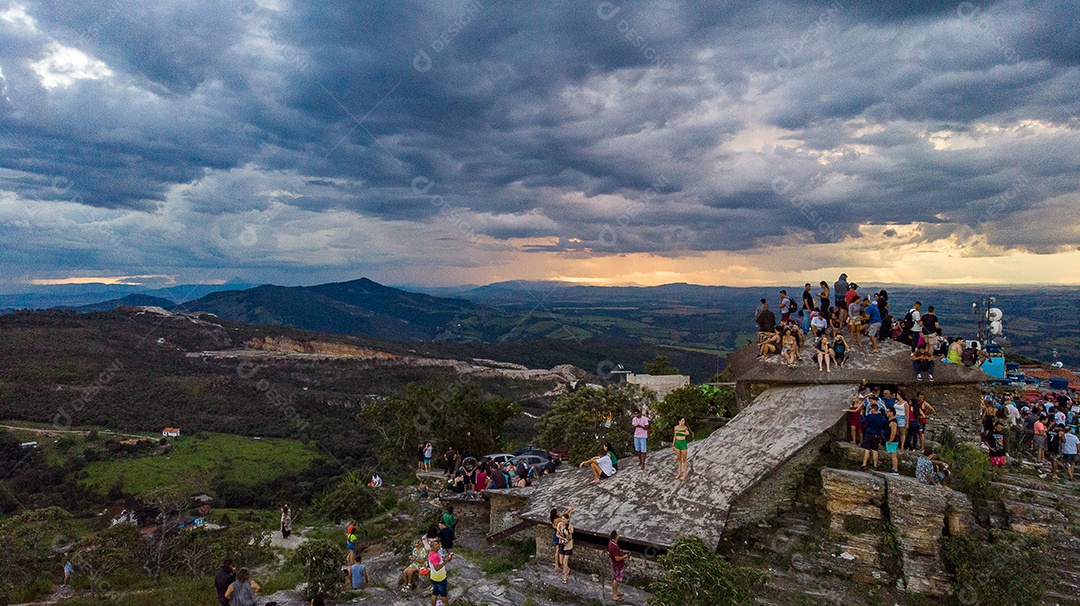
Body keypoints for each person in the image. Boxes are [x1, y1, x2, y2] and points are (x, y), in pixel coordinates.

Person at [860, 403, 886, 471]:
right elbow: (884, 425)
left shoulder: (870, 416)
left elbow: (862, 422)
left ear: (873, 409)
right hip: (877, 434)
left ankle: (864, 464)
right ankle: (875, 465)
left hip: (869, 434)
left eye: (870, 409)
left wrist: (861, 415)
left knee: (867, 449)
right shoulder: (882, 417)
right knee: (875, 450)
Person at [555, 506, 575, 584]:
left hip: (568, 546)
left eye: (564, 519)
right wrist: (563, 538)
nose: (562, 520)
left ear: (567, 520)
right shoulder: (559, 524)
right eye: (562, 519)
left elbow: (570, 538)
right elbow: (557, 534)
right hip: (561, 544)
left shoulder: (570, 527)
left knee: (565, 561)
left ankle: (565, 577)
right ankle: (568, 569)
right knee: (561, 562)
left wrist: (567, 534)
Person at [608, 530, 629, 603]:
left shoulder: (613, 543)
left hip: (618, 564)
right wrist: (624, 557)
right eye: (618, 534)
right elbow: (617, 558)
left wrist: (621, 551)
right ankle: (614, 595)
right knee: (616, 579)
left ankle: (616, 592)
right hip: (617, 565)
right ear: (616, 536)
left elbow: (617, 552)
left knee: (616, 579)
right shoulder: (613, 547)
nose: (619, 535)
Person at [884, 408, 900, 474]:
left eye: (888, 412)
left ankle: (895, 469)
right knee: (892, 454)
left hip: (893, 441)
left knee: (893, 455)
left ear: (892, 412)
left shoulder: (893, 422)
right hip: (889, 440)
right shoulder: (889, 421)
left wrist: (890, 440)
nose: (886, 413)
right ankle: (893, 468)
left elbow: (893, 432)